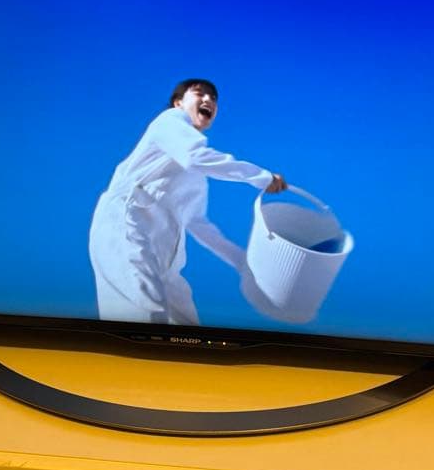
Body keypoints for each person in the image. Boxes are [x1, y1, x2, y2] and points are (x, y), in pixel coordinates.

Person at [88, 79, 286, 325]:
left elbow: (198, 224)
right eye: (200, 94)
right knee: (142, 317)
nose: (208, 100)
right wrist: (261, 177)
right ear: (178, 103)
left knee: (186, 325)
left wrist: (245, 264)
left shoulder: (196, 177)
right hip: (125, 228)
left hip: (166, 257)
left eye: (213, 98)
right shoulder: (170, 120)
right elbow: (194, 156)